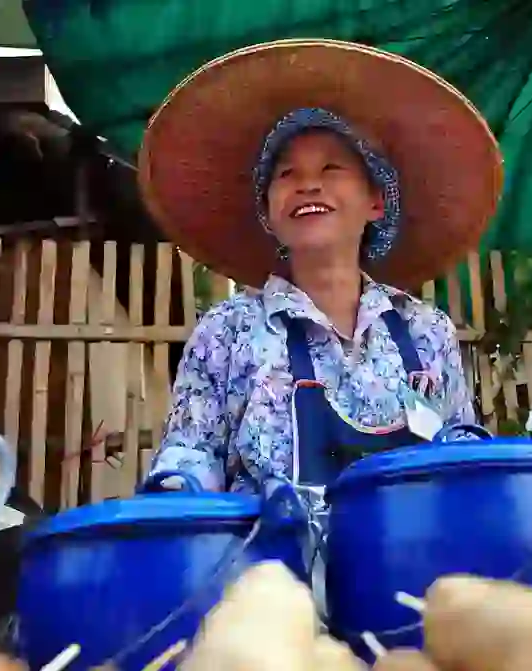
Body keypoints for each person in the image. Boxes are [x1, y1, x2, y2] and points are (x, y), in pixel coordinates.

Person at [140, 39, 503, 493]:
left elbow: (460, 461)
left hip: (412, 558)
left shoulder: (426, 333)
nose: (308, 185)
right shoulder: (226, 333)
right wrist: (181, 486)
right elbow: (190, 456)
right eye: (287, 175)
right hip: (267, 562)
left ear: (375, 202)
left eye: (332, 169)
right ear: (268, 212)